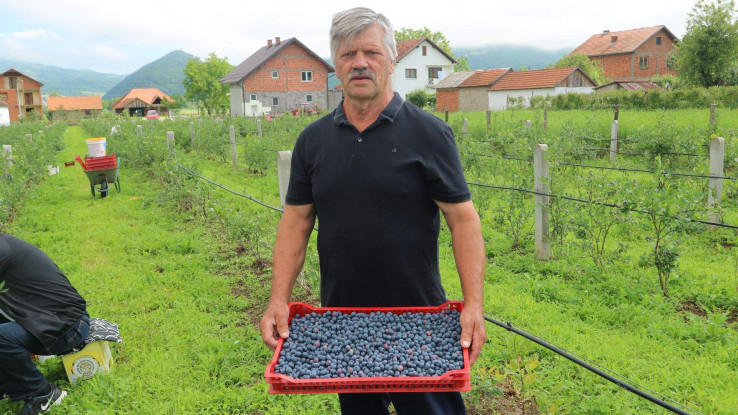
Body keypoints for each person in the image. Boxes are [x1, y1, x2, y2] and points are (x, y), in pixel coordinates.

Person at [260, 7, 486, 414]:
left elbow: (462, 219)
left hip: (419, 320)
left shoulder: (429, 134)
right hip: (343, 320)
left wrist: (473, 305)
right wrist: (279, 298)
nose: (359, 63)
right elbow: (296, 221)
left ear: (391, 60)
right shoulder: (312, 141)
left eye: (371, 53)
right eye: (348, 55)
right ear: (335, 64)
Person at [0, 233, 89, 415]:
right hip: (51, 319)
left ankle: (42, 394)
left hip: (67, 326)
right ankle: (6, 384)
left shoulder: (2, 250)